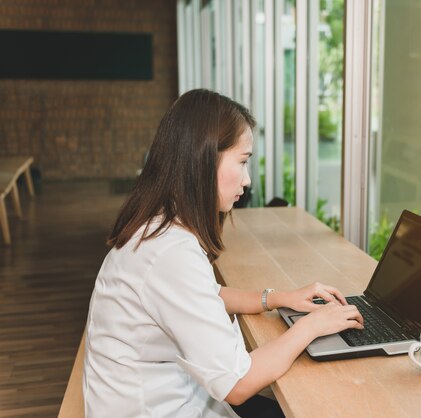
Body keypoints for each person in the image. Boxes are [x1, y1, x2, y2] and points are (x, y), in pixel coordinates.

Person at [82, 89, 364, 418]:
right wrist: (312, 326)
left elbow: (206, 294)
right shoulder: (170, 253)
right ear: (204, 159)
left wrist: (276, 298)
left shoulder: (157, 223)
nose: (246, 180)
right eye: (242, 161)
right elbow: (238, 382)